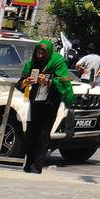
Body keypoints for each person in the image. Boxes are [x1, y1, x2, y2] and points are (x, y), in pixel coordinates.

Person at [18, 39, 76, 173]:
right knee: (31, 132)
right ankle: (28, 164)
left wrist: (48, 81)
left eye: (43, 53)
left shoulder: (57, 63)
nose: (40, 56)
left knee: (43, 134)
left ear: (48, 52)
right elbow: (20, 84)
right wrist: (27, 81)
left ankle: (37, 166)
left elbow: (64, 83)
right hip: (34, 103)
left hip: (50, 104)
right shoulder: (31, 63)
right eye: (38, 52)